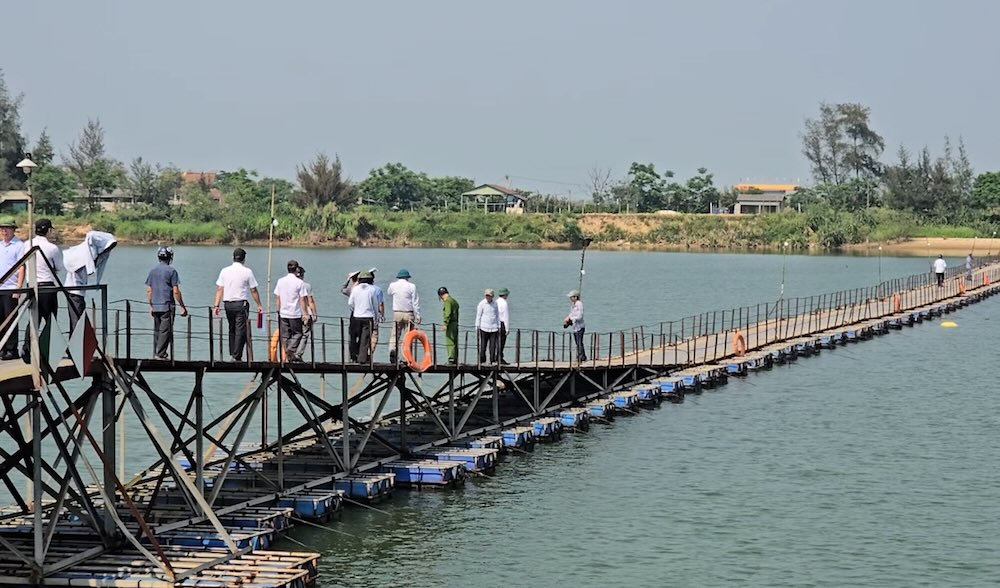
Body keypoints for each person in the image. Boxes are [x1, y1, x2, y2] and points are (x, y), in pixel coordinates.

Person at [18, 219, 65, 362]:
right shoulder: (52, 248)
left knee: (33, 320)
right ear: (49, 230)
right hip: (48, 287)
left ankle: (27, 350)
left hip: (31, 286)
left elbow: (22, 264)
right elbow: (59, 267)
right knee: (51, 320)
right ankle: (49, 350)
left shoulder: (27, 245)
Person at [213, 247, 263, 362]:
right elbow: (253, 290)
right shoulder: (247, 271)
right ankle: (236, 356)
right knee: (241, 329)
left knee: (232, 328)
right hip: (241, 304)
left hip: (227, 304)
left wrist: (216, 305)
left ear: (233, 258)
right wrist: (259, 305)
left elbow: (220, 289)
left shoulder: (224, 271)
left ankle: (233, 352)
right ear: (244, 259)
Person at [63, 231, 117, 336]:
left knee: (78, 321)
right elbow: (91, 235)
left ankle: (76, 348)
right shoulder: (83, 254)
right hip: (75, 291)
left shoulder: (92, 254)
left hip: (79, 292)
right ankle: (75, 348)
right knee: (77, 322)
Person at [145, 246, 188, 359]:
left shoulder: (152, 271)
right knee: (165, 330)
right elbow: (176, 291)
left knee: (157, 330)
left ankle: (156, 352)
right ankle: (161, 353)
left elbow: (149, 290)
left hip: (156, 305)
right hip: (167, 305)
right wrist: (182, 306)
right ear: (170, 257)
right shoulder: (172, 271)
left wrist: (151, 305)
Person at [273, 260, 308, 362]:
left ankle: (289, 355)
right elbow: (302, 300)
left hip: (283, 312)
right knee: (298, 333)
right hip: (295, 313)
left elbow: (277, 297)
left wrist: (278, 310)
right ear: (296, 269)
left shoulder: (280, 281)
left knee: (285, 335)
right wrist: (305, 313)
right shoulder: (300, 283)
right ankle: (290, 350)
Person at [386, 268, 420, 363]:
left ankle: (393, 351)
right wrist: (418, 315)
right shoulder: (412, 286)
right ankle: (406, 357)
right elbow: (415, 302)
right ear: (407, 277)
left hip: (397, 313)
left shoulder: (393, 285)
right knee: (408, 336)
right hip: (408, 313)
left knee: (394, 334)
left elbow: (389, 293)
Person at [0, 217, 22, 360]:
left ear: (13, 229)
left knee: (11, 318)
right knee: (0, 318)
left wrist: (18, 288)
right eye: (2, 228)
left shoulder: (19, 245)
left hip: (11, 287)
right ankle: (2, 346)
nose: (4, 230)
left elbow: (22, 267)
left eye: (7, 228)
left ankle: (11, 349)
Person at [348, 270, 379, 363]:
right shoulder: (372, 289)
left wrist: (356, 308)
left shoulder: (355, 289)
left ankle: (353, 356)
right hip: (368, 317)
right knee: (365, 339)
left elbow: (350, 303)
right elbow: (375, 305)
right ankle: (362, 359)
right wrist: (376, 318)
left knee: (354, 337)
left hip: (356, 316)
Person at [294, 265, 317, 360]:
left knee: (294, 333)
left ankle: (291, 352)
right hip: (306, 313)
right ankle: (298, 354)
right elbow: (310, 301)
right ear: (302, 275)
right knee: (305, 334)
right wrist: (314, 313)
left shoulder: (291, 284)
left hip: (293, 313)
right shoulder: (306, 286)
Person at [475, 288, 500, 364]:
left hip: (494, 328)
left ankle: (492, 360)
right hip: (483, 327)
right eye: (487, 295)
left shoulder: (495, 304)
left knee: (493, 346)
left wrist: (499, 326)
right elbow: (478, 316)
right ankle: (482, 360)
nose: (488, 297)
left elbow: (497, 315)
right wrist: (477, 327)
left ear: (492, 296)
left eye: (489, 295)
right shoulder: (481, 304)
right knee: (483, 346)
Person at [438, 286, 459, 365]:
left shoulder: (447, 301)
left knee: (450, 342)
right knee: (455, 342)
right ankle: (455, 358)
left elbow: (448, 313)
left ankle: (451, 359)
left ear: (440, 295)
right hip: (455, 323)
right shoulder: (453, 300)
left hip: (450, 324)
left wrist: (445, 324)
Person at [565, 290, 587, 362]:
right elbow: (571, 314)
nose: (570, 299)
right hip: (575, 327)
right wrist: (568, 318)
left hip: (580, 326)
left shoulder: (579, 304)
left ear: (575, 297)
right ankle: (581, 356)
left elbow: (580, 316)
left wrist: (572, 318)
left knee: (579, 342)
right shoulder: (573, 305)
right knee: (577, 343)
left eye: (571, 297)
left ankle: (581, 357)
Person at [496, 287, 510, 364]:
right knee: (502, 342)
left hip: (495, 324)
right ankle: (500, 357)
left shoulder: (496, 302)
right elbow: (505, 316)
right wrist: (507, 328)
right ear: (505, 295)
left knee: (496, 341)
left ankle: (495, 357)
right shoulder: (504, 303)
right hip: (502, 324)